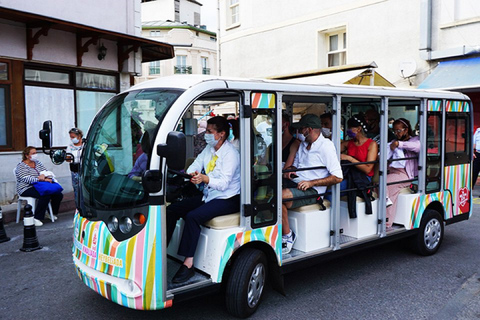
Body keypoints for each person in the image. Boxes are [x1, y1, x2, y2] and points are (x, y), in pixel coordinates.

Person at [166, 116, 240, 283]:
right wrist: (192, 173)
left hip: (228, 198)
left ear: (221, 134)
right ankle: (161, 251)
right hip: (209, 195)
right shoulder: (209, 149)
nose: (205, 134)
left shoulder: (231, 154)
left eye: (209, 131)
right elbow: (196, 164)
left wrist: (205, 179)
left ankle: (188, 264)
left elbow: (224, 183)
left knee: (193, 216)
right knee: (172, 209)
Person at [282, 114, 343, 254]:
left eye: (302, 129)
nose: (299, 132)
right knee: (269, 191)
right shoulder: (303, 144)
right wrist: (290, 171)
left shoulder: (326, 146)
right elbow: (295, 166)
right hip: (297, 182)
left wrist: (311, 183)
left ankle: (287, 235)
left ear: (309, 129)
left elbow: (338, 176)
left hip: (314, 190)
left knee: (280, 196)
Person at [15, 147, 63, 227]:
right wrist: (40, 179)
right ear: (27, 155)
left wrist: (45, 176)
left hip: (40, 186)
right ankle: (37, 217)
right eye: (33, 153)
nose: (35, 155)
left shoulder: (37, 163)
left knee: (58, 194)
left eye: (35, 153)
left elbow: (46, 171)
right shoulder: (21, 166)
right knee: (44, 195)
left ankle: (50, 212)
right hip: (26, 188)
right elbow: (26, 179)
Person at [386, 118, 420, 230]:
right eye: (394, 131)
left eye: (399, 131)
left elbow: (417, 147)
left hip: (405, 174)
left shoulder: (414, 140)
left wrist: (399, 144)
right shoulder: (393, 142)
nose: (396, 133)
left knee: (386, 184)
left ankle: (387, 222)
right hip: (392, 171)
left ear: (406, 130)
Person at [66, 128, 83, 203]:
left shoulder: (85, 144)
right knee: (77, 189)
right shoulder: (70, 147)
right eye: (71, 137)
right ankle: (78, 206)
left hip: (84, 169)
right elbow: (68, 159)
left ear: (79, 136)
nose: (72, 139)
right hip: (75, 170)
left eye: (73, 137)